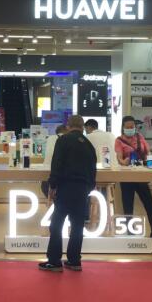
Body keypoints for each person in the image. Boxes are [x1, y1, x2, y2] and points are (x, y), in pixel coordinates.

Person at [39, 115, 97, 273]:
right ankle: (74, 260)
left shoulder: (63, 140)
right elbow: (93, 169)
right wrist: (88, 187)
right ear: (82, 127)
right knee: (77, 226)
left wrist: (52, 184)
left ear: (68, 126)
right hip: (82, 189)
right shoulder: (88, 144)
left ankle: (54, 261)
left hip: (66, 187)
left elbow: (57, 163)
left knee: (56, 224)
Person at [115, 116, 152, 239]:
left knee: (150, 203)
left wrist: (150, 162)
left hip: (140, 175)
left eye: (132, 127)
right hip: (127, 176)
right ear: (123, 127)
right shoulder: (119, 141)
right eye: (127, 127)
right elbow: (119, 158)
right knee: (128, 205)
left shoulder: (139, 137)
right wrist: (124, 162)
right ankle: (130, 233)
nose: (130, 129)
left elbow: (148, 152)